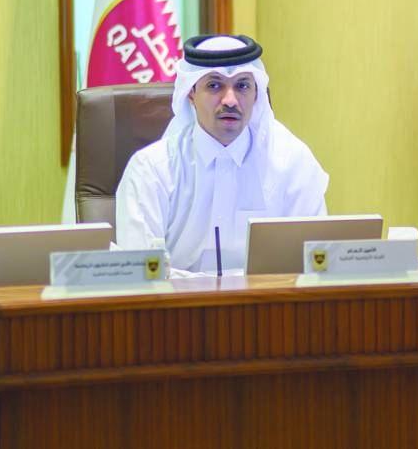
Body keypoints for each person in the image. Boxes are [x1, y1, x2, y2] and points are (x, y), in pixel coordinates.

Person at [115, 34, 329, 273]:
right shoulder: (151, 170)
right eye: (214, 86)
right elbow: (141, 273)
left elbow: (316, 263)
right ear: (191, 93)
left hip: (270, 298)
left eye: (242, 86)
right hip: (178, 300)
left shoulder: (293, 163)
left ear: (256, 94)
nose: (230, 100)